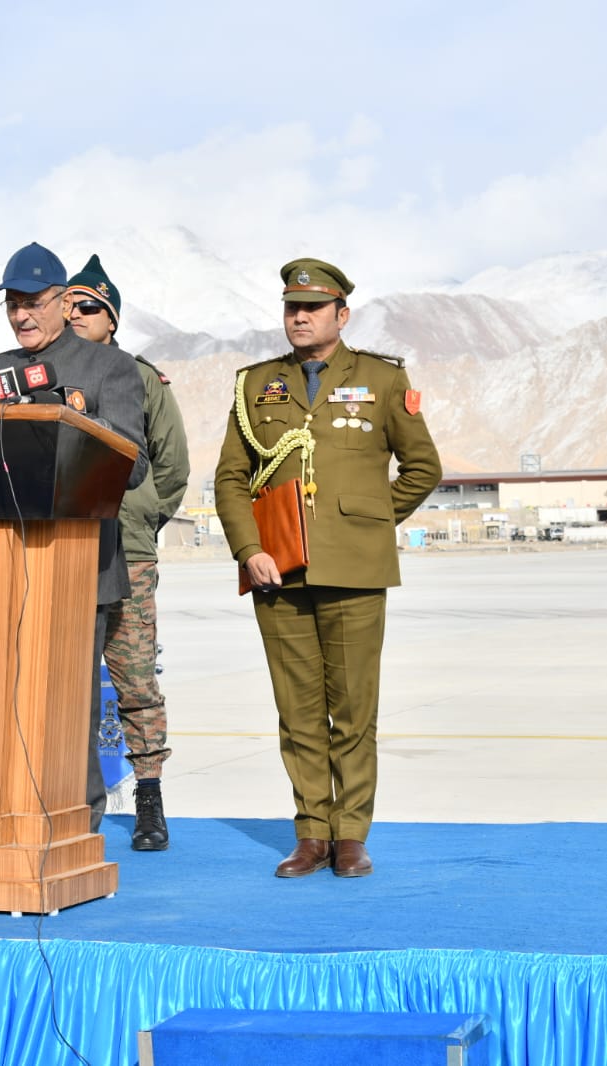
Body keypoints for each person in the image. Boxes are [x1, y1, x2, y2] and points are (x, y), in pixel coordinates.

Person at [214, 258, 442, 877]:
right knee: (298, 711)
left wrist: (366, 521)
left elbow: (423, 467)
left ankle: (351, 836)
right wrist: (249, 549)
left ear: (342, 315)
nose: (300, 317)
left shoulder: (382, 379)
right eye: (292, 307)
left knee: (353, 709)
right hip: (277, 569)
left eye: (313, 308)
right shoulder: (256, 384)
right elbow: (231, 477)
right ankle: (311, 833)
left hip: (355, 571)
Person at [0, 242, 149, 830]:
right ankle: (5, 811)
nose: (22, 315)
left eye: (33, 303)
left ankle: (81, 821)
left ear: (63, 303)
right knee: (1, 695)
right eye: (12, 305)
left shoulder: (108, 368)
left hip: (80, 562)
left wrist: (71, 424)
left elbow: (135, 464)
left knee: (72, 700)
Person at [65, 254, 190, 852]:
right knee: (63, 684)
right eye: (68, 305)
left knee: (136, 680)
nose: (76, 315)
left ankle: (149, 798)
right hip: (64, 549)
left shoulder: (140, 379)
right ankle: (67, 798)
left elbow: (173, 465)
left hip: (128, 551)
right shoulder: (44, 373)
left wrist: (139, 517)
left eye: (89, 307)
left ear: (111, 319)